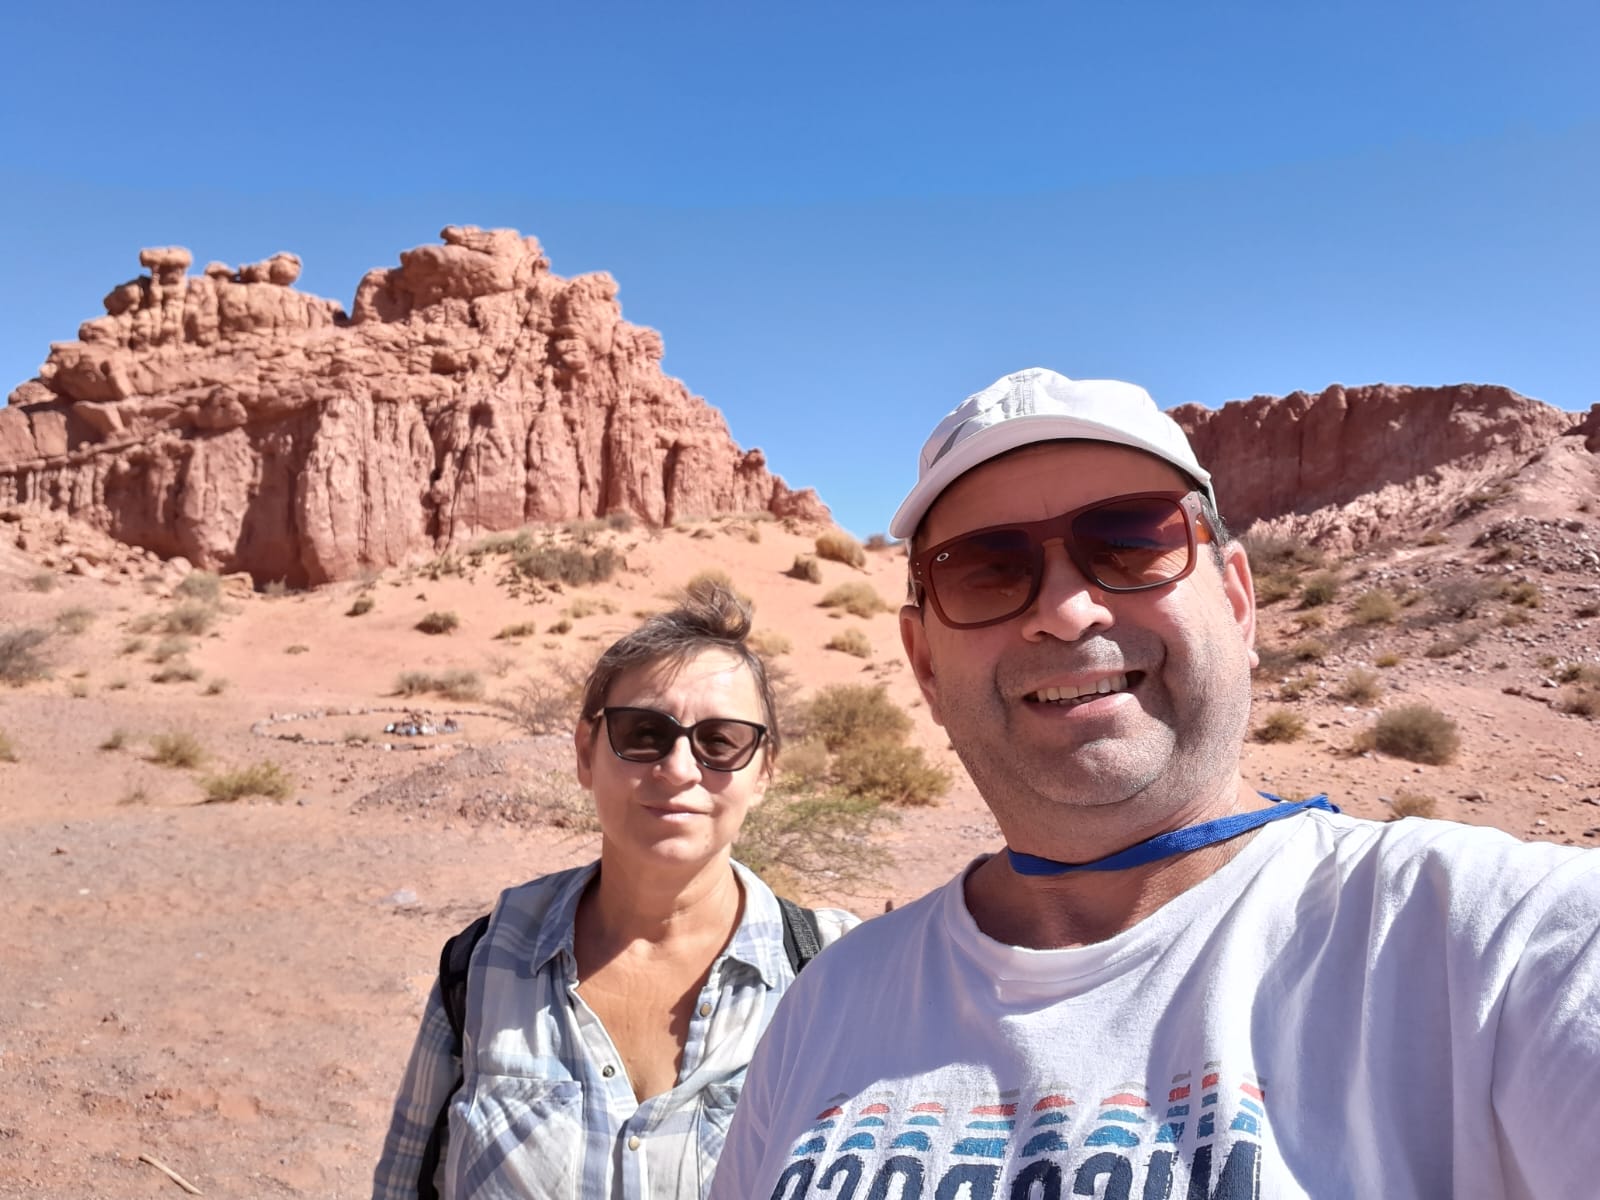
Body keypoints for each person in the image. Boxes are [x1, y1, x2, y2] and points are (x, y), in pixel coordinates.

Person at [709, 367, 1600, 1200]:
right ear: (925, 664)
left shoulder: (1502, 945)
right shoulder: (828, 1004)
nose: (1066, 612)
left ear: (1239, 602)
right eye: (987, 570)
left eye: (1131, 543)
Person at [373, 586, 858, 1200]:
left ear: (762, 771)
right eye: (643, 732)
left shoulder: (839, 976)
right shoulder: (485, 963)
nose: (679, 768)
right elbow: (402, 1182)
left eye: (720, 740)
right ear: (586, 753)